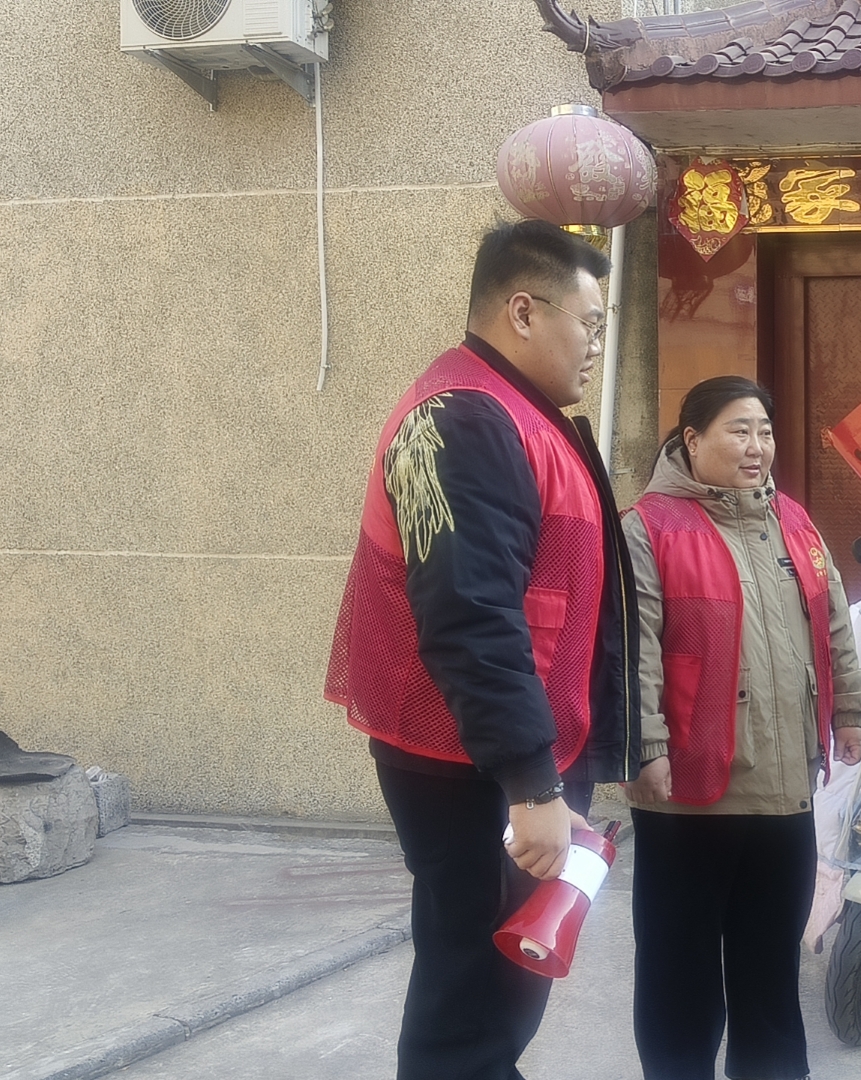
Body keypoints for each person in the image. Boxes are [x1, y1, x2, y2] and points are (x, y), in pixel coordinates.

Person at [324, 219, 638, 1080]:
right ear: (524, 312)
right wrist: (531, 784)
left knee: (493, 990)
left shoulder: (512, 412)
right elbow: (470, 615)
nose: (595, 347)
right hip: (470, 766)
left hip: (497, 758)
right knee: (474, 1001)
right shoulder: (466, 418)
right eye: (590, 323)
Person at [621, 375, 861, 1080]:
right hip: (689, 794)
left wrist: (850, 709)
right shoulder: (648, 527)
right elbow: (633, 650)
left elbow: (834, 622)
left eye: (764, 430)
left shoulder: (792, 520)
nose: (757, 445)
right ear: (692, 439)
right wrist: (646, 745)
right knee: (680, 973)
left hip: (785, 791)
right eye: (739, 430)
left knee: (770, 973)